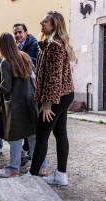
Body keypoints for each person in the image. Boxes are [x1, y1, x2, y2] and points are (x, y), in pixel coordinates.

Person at [29, 11, 75, 186]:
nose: (41, 22)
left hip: (55, 97)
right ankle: (61, 175)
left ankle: (33, 176)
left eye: (45, 21)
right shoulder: (53, 44)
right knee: (60, 133)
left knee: (42, 134)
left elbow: (53, 78)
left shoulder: (54, 46)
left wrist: (47, 104)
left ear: (54, 25)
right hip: (63, 95)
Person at [0, 33, 38, 178]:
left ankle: (13, 169)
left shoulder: (5, 62)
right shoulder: (25, 56)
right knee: (33, 136)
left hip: (15, 105)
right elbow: (33, 77)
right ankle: (41, 166)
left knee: (15, 137)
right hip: (30, 101)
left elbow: (6, 88)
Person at [13, 23, 47, 174]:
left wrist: (21, 58)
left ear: (26, 32)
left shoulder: (34, 44)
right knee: (30, 132)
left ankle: (40, 166)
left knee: (34, 132)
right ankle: (35, 162)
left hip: (33, 91)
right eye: (16, 33)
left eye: (20, 32)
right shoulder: (17, 46)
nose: (18, 35)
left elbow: (38, 63)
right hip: (23, 91)